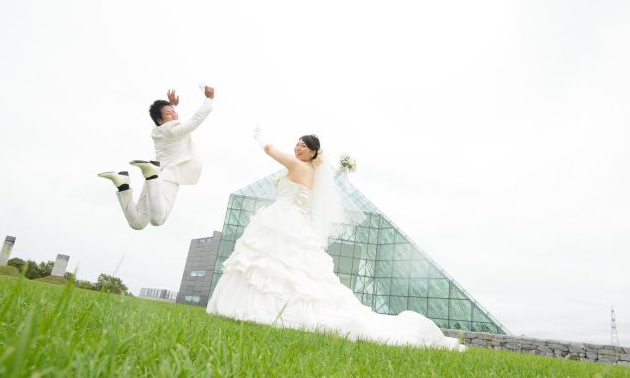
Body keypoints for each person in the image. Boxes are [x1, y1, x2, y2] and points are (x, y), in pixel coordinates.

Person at [206, 126, 467, 351]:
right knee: (285, 268)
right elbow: (323, 180)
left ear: (313, 153)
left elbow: (269, 150)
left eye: (303, 146)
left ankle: (267, 306)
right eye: (296, 144)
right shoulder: (314, 172)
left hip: (283, 218)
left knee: (272, 265)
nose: (297, 148)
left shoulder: (297, 165)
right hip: (294, 220)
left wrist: (258, 135)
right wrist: (339, 171)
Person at [98, 86, 215, 230]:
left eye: (174, 112)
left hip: (156, 177)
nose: (174, 115)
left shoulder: (157, 130)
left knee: (138, 223)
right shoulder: (175, 131)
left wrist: (171, 106)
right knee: (157, 220)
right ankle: (151, 176)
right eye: (169, 114)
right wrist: (208, 99)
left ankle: (123, 185)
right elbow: (195, 120)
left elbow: (166, 121)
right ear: (160, 120)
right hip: (167, 179)